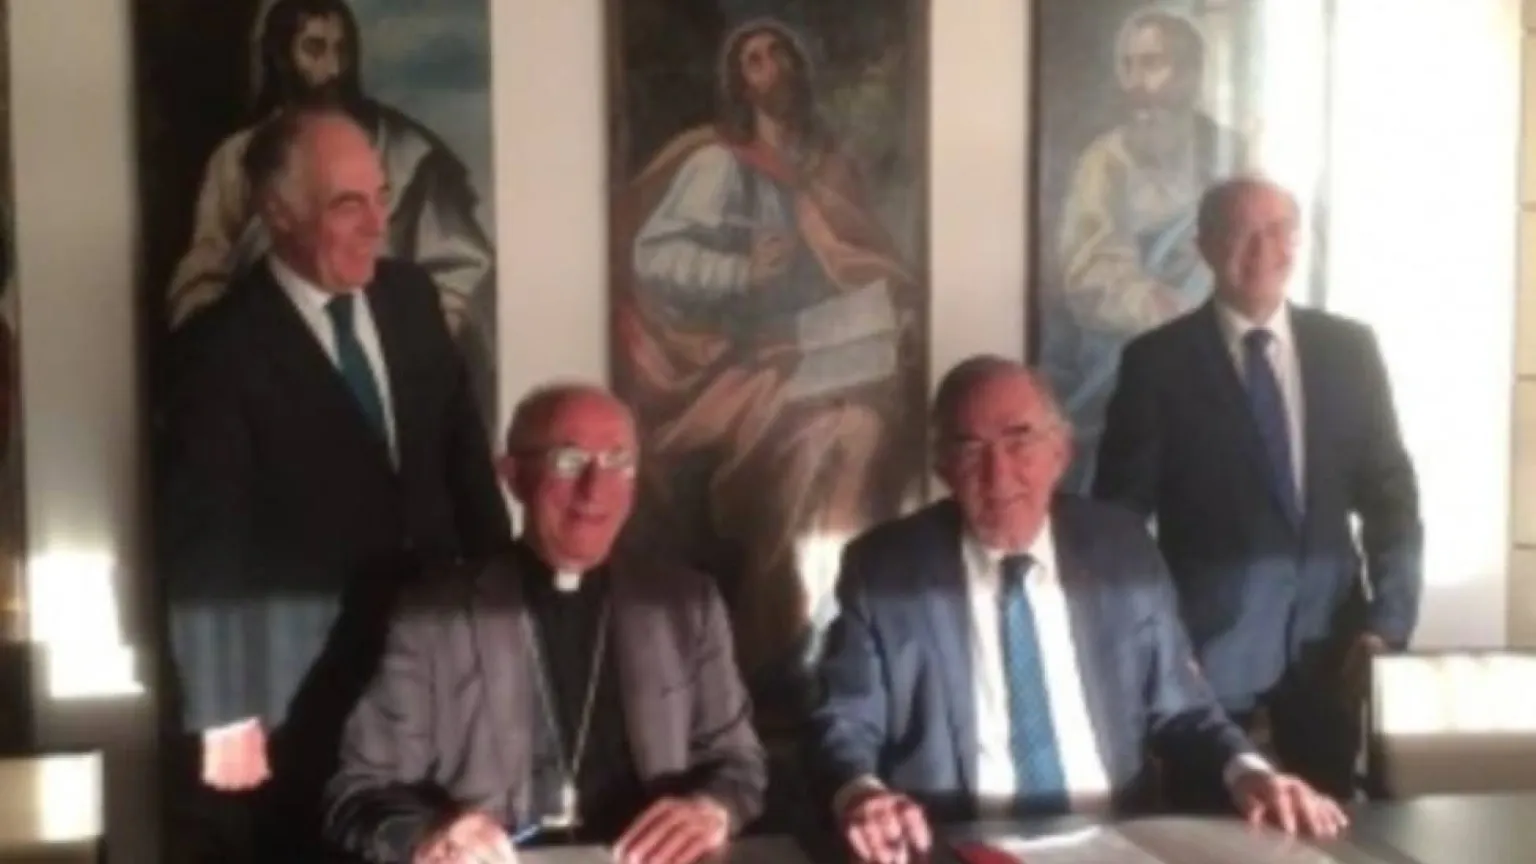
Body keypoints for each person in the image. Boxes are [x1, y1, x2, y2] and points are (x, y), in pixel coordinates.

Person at [809, 356, 1346, 864]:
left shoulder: (1122, 551)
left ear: (1060, 453)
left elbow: (1184, 710)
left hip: (1113, 841)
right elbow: (846, 720)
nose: (998, 475)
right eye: (971, 449)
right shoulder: (885, 571)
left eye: (1019, 441)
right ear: (943, 467)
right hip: (963, 846)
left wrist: (1251, 773)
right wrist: (863, 794)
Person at [156, 107, 511, 861]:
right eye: (349, 204)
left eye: (382, 197)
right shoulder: (218, 349)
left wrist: (507, 614)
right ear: (278, 211)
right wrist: (222, 711)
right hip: (300, 690)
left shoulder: (411, 300)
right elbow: (203, 542)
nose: (378, 225)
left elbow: (466, 467)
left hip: (437, 670)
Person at [324, 384, 767, 864]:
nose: (595, 489)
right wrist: (431, 834)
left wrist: (713, 807)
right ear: (513, 476)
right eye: (569, 462)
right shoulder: (434, 617)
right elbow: (358, 791)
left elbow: (739, 763)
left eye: (618, 461)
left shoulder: (687, 604)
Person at [615, 16, 924, 697]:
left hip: (823, 349)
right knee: (836, 436)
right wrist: (741, 271)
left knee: (869, 430)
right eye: (752, 59)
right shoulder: (719, 164)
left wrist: (894, 309)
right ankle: (786, 629)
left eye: (778, 53)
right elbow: (654, 257)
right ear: (739, 84)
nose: (770, 67)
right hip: (737, 364)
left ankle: (835, 627)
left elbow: (864, 258)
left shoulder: (832, 169)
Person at [1094, 176, 1423, 804]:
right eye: (1241, 232)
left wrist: (1389, 621)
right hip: (1205, 661)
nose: (1263, 249)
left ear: (1298, 241)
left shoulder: (1349, 350)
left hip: (1332, 652)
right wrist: (1156, 643)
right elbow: (1120, 522)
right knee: (1204, 834)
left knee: (1328, 829)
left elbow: (1391, 495)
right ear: (1204, 246)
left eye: (1278, 231)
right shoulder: (1157, 362)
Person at [167, 0, 493, 340]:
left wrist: (411, 346)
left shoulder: (409, 154)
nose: (335, 69)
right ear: (282, 58)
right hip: (266, 349)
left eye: (343, 50)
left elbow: (462, 270)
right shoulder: (235, 158)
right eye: (315, 49)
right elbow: (203, 275)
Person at [1041, 6, 1247, 491]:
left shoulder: (1232, 154)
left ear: (1192, 74)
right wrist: (1172, 316)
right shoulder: (1105, 161)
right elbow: (1091, 273)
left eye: (1152, 64)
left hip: (1219, 336)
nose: (1136, 83)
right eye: (1128, 65)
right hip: (1127, 338)